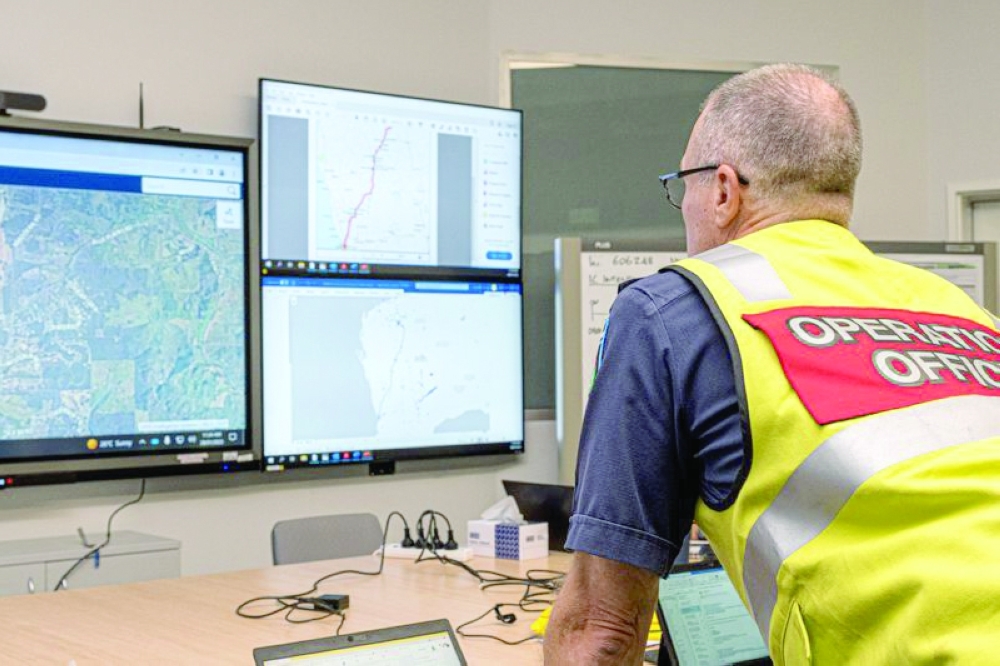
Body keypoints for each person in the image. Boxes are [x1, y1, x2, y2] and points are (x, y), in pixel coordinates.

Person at [544, 63, 1000, 665]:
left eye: (684, 185)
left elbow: (601, 633)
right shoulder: (962, 309)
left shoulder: (672, 312)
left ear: (725, 190)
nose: (684, 206)